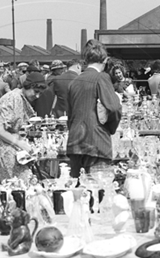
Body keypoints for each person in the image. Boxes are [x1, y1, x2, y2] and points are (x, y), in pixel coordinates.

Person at [66, 39, 122, 178]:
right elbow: (114, 108)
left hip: (75, 142)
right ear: (105, 60)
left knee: (78, 193)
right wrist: (110, 127)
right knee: (100, 192)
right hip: (97, 143)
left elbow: (70, 115)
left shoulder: (74, 82)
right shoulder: (101, 77)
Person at [0, 72, 47, 183]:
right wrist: (20, 144)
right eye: (36, 92)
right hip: (2, 150)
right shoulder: (12, 98)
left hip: (9, 148)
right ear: (29, 86)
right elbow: (0, 131)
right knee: (17, 185)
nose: (38, 96)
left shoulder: (20, 97)